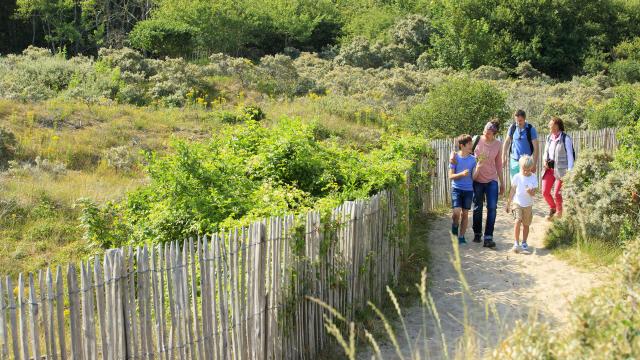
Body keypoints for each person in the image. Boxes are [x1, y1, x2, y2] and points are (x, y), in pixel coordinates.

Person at [470, 120, 504, 248]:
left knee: (492, 207)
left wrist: (502, 182)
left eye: (489, 133)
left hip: (492, 180)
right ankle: (477, 233)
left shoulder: (498, 144)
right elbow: (466, 153)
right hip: (477, 179)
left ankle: (488, 237)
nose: (485, 134)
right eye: (484, 131)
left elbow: (499, 165)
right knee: (478, 207)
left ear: (494, 133)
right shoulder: (476, 140)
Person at [542, 117, 574, 220]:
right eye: (550, 126)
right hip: (549, 169)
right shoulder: (548, 138)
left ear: (557, 126)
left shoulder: (565, 138)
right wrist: (544, 161)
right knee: (545, 192)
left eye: (552, 126)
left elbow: (570, 156)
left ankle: (559, 215)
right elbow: (545, 152)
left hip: (561, 170)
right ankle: (553, 208)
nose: (550, 128)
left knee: (556, 194)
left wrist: (569, 172)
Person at [505, 155, 537, 254]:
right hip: (517, 203)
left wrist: (530, 192)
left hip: (528, 204)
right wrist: (508, 203)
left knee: (526, 224)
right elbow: (512, 190)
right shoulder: (517, 177)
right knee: (517, 220)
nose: (526, 172)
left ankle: (524, 242)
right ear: (520, 167)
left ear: (531, 168)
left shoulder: (533, 177)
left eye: (528, 169)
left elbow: (534, 193)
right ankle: (516, 242)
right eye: (524, 169)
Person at [449, 134, 477, 244]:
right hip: (456, 189)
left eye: (471, 143)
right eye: (469, 144)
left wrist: (479, 167)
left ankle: (461, 236)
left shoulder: (473, 160)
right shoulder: (455, 158)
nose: (471, 146)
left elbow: (474, 176)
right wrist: (461, 174)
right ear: (462, 145)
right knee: (456, 213)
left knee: (465, 214)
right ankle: (455, 227)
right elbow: (450, 176)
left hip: (469, 190)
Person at [502, 110, 539, 181]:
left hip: (526, 163)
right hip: (514, 161)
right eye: (516, 120)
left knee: (525, 186)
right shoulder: (512, 127)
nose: (518, 123)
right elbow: (507, 142)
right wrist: (503, 157)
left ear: (524, 119)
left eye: (520, 120)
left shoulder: (531, 129)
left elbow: (536, 148)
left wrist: (534, 164)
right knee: (514, 185)